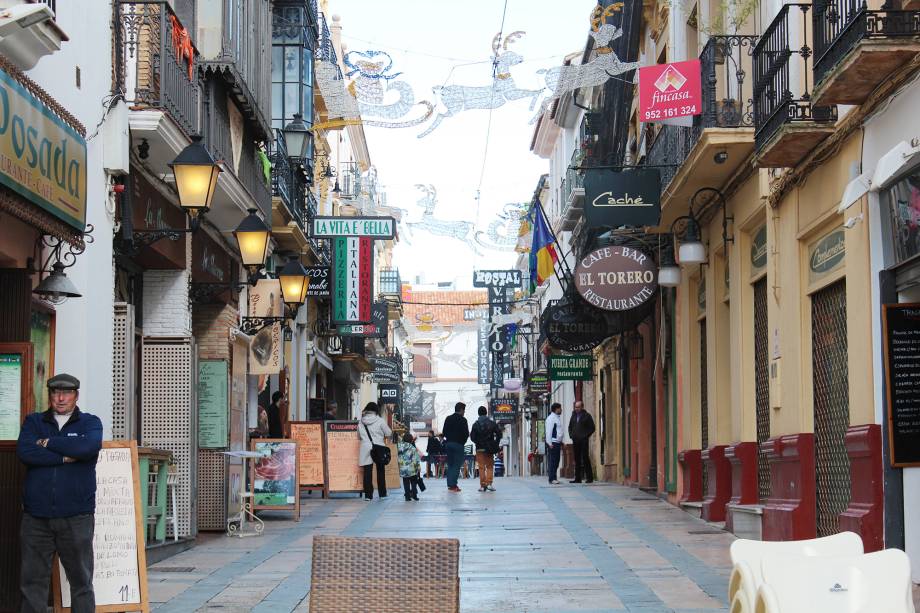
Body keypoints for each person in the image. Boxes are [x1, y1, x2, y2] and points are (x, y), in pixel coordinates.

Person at [17, 373, 103, 613]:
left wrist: (47, 442)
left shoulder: (90, 422)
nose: (61, 397)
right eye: (56, 392)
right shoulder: (33, 422)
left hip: (76, 516)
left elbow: (88, 447)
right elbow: (25, 452)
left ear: (76, 395)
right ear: (50, 395)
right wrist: (67, 456)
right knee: (32, 582)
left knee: (81, 582)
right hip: (36, 517)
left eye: (66, 393)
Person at [358, 402, 392, 500]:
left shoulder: (361, 422)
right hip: (379, 447)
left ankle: (368, 495)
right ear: (376, 410)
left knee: (367, 472)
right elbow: (388, 433)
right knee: (380, 470)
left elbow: (358, 436)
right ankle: (382, 494)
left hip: (365, 447)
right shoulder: (380, 420)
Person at [469, 406, 502, 492]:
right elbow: (499, 434)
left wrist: (478, 442)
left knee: (481, 467)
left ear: (478, 413)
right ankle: (489, 484)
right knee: (490, 466)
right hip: (489, 448)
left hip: (479, 448)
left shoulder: (475, 424)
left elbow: (472, 437)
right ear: (486, 413)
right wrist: (495, 443)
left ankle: (482, 485)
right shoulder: (492, 423)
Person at [442, 402, 469, 492]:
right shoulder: (463, 420)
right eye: (464, 410)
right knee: (456, 465)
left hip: (449, 444)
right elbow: (466, 434)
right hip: (458, 445)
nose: (464, 412)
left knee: (450, 464)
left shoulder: (448, 418)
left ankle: (450, 484)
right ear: (461, 410)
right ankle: (453, 485)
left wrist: (449, 439)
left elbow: (444, 432)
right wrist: (462, 442)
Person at [568, 400, 596, 484]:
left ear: (582, 407)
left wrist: (585, 436)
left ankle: (589, 478)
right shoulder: (573, 416)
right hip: (575, 440)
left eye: (578, 407)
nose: (576, 409)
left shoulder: (587, 416)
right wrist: (571, 435)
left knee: (585, 458)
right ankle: (577, 478)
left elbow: (592, 428)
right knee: (577, 459)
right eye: (575, 407)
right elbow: (570, 427)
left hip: (583, 440)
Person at [397, 432, 422, 501]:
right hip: (412, 469)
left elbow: (398, 458)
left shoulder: (399, 448)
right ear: (411, 440)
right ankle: (414, 495)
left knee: (405, 483)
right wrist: (418, 467)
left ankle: (407, 497)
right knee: (413, 482)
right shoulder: (412, 448)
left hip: (403, 469)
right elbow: (416, 459)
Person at [545, 402, 564, 485]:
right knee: (553, 461)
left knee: (556, 461)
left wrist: (561, 441)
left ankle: (554, 477)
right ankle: (552, 478)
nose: (561, 410)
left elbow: (558, 431)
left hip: (557, 442)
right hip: (553, 443)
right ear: (556, 409)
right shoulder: (551, 418)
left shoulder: (556, 417)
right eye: (560, 408)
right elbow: (549, 431)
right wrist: (549, 443)